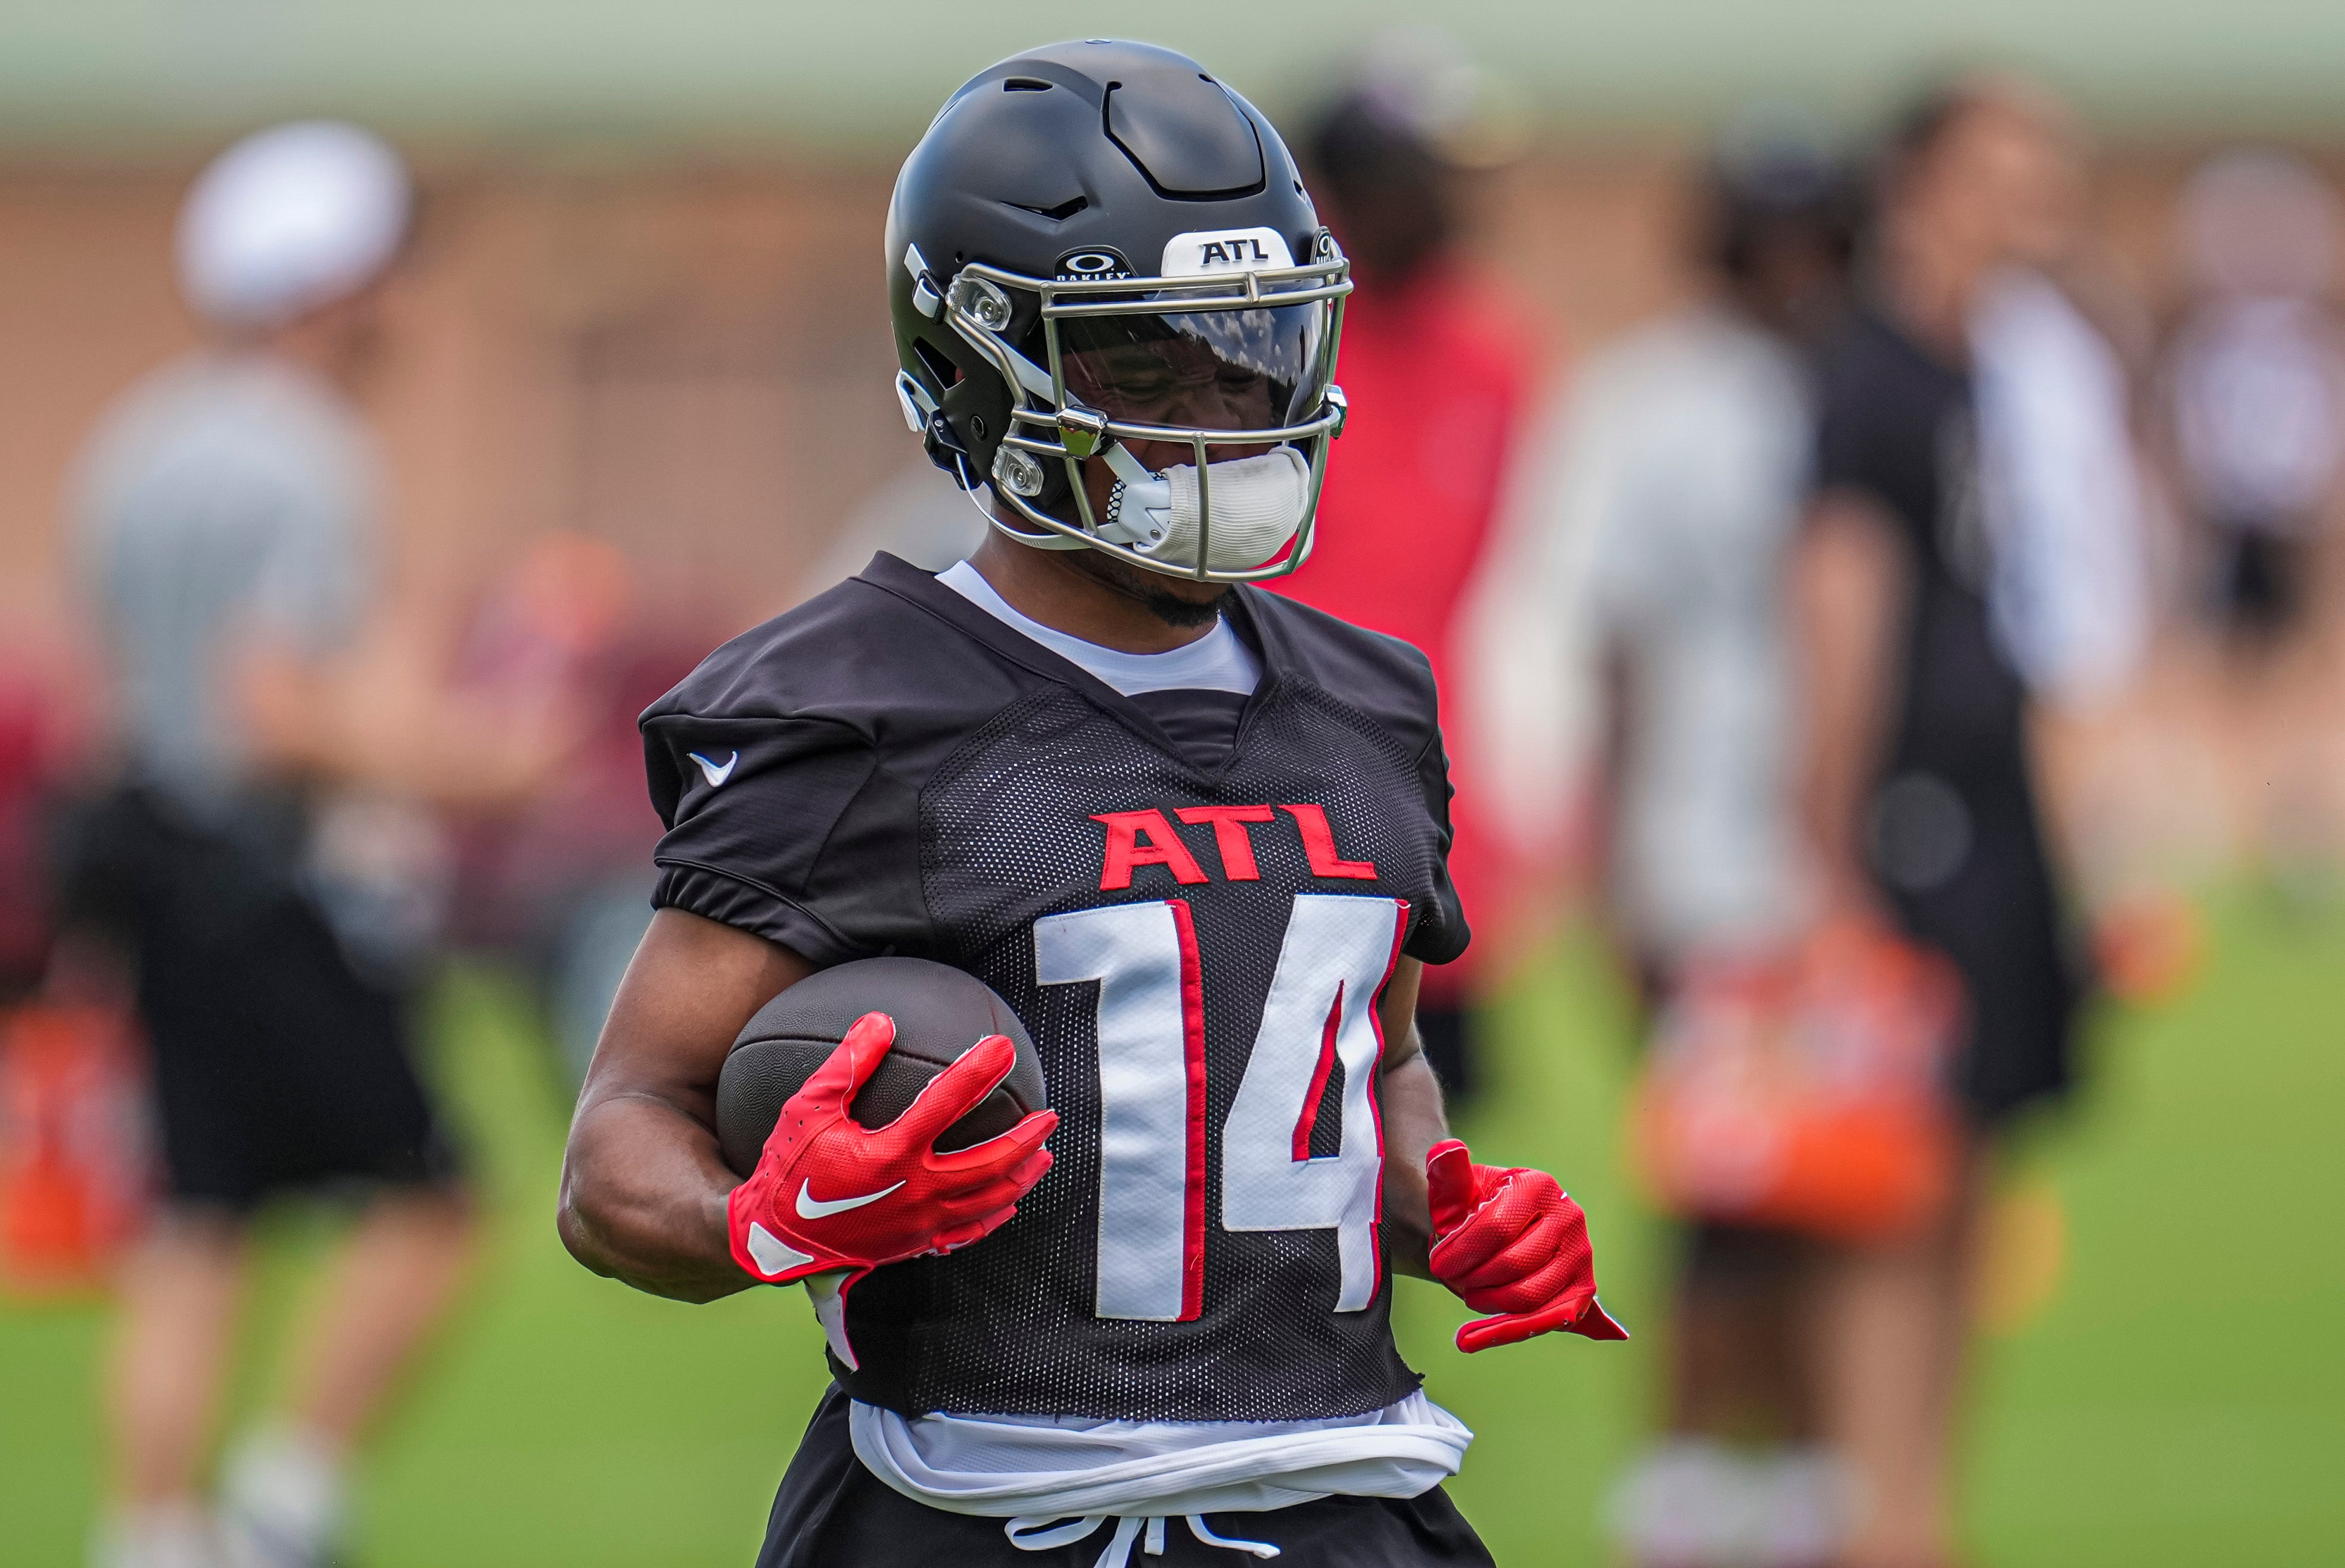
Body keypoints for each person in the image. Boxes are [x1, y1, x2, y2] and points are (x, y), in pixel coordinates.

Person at [559, 41, 1625, 1568]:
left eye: (1254, 344)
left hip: (1340, 1497)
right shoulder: (858, 704)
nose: (1227, 401)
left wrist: (1442, 1201)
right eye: (1149, 359)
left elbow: (1364, 1062)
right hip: (979, 1510)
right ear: (982, 370)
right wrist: (763, 1221)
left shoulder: (1372, 702)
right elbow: (619, 1139)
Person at [64, 122, 567, 1568]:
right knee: (436, 1199)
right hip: (262, 880)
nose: (399, 299)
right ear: (318, 284)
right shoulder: (300, 455)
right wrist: (477, 762)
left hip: (151, 865)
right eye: (380, 268)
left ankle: (152, 1532)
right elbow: (273, 707)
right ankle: (285, 1508)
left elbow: (137, 683)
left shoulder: (140, 441)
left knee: (195, 1225)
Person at [1514, 116, 1856, 1568]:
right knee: (1724, 1189)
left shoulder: (1865, 388)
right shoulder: (1649, 401)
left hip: (1846, 868)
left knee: (1841, 1183)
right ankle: (1687, 1470)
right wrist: (1613, 871)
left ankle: (1806, 1469)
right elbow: (1612, 639)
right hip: (1700, 859)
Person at [1792, 77, 2099, 1567]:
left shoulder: (1982, 368)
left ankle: (1927, 1514)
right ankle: (1885, 1523)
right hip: (1919, 830)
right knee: (1897, 1200)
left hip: (1997, 812)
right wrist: (1837, 858)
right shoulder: (1877, 376)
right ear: (1919, 181)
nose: (2037, 189)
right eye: (2003, 163)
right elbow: (1842, 614)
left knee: (1975, 1184)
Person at [1269, 33, 1535, 1102]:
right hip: (1261, 805)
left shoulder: (1497, 357)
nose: (1456, 207)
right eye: (1433, 177)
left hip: (1427, 807)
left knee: (1425, 1153)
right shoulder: (1264, 342)